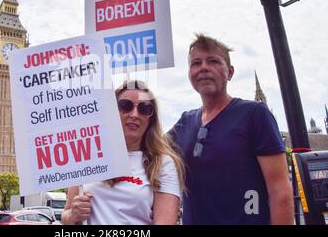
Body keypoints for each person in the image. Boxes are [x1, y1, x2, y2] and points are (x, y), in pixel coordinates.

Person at [168, 33, 294, 225]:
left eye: (213, 61)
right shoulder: (185, 121)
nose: (203, 68)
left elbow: (280, 190)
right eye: (196, 63)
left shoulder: (254, 113)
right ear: (189, 73)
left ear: (230, 72)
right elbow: (146, 147)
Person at [62, 80, 185, 225]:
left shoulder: (163, 163)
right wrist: (73, 214)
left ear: (151, 118)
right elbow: (66, 216)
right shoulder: (88, 156)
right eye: (125, 106)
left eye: (144, 108)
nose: (134, 114)